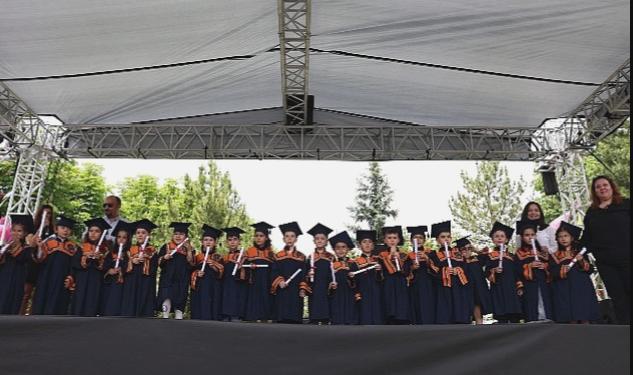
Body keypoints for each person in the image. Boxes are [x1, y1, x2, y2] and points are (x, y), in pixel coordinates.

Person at [582, 175, 630, 324]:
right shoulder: (591, 213)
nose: (602, 188)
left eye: (605, 185)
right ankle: (625, 329)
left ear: (611, 187)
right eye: (598, 187)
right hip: (607, 263)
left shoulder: (626, 204)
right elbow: (587, 238)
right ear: (594, 192)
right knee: (617, 297)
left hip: (628, 258)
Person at [550, 222, 600, 323]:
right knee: (571, 317)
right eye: (560, 236)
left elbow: (590, 270)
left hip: (582, 287)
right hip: (565, 289)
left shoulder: (580, 252)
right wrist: (562, 269)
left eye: (566, 236)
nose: (563, 239)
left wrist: (581, 261)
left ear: (572, 238)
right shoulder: (554, 256)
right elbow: (553, 273)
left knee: (584, 314)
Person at [32, 215, 79, 315]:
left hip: (62, 279)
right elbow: (39, 259)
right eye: (63, 228)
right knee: (42, 298)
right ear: (56, 229)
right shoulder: (47, 242)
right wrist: (39, 247)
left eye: (68, 229)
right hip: (46, 277)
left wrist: (71, 277)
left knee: (59, 301)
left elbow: (73, 265)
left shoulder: (73, 247)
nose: (65, 231)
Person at [427, 221, 470, 324]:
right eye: (442, 237)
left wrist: (458, 270)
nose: (446, 239)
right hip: (443, 287)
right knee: (446, 311)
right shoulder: (434, 256)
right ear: (437, 240)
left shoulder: (458, 254)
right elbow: (433, 270)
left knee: (459, 309)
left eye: (448, 237)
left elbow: (466, 268)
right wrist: (445, 271)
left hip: (458, 286)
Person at [514, 220, 554, 322]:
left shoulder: (542, 252)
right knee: (532, 305)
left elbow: (551, 268)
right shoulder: (519, 254)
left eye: (532, 234)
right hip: (529, 285)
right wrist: (529, 266)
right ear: (522, 237)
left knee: (545, 305)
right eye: (527, 235)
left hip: (543, 283)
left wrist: (544, 266)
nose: (530, 237)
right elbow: (516, 271)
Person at [271, 222, 309, 324]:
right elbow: (274, 271)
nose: (289, 239)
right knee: (281, 319)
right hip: (282, 291)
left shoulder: (301, 257)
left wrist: (302, 289)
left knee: (294, 320)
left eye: (292, 236)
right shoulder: (277, 256)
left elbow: (304, 275)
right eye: (287, 236)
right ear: (283, 239)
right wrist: (279, 281)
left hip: (296, 292)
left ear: (296, 239)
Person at [70, 218, 110, 316]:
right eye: (91, 231)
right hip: (81, 281)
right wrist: (86, 258)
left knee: (91, 307)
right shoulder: (81, 247)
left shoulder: (105, 250)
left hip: (95, 283)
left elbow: (106, 268)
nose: (93, 233)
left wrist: (99, 259)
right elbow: (74, 264)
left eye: (97, 231)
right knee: (77, 307)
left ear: (102, 234)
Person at [485, 221, 523, 323]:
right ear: (493, 239)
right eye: (496, 236)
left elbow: (517, 272)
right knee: (501, 315)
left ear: (506, 239)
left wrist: (519, 286)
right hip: (498, 288)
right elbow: (487, 271)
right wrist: (494, 271)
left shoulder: (511, 256)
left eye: (502, 236)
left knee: (514, 315)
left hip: (511, 288)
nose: (499, 238)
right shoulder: (490, 256)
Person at [120, 219, 159, 317]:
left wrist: (146, 260)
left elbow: (154, 269)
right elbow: (123, 267)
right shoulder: (129, 250)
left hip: (146, 285)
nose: (140, 235)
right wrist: (132, 261)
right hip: (131, 284)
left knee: (144, 311)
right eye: (138, 233)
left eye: (143, 233)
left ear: (148, 235)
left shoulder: (152, 251)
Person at [21, 205, 54, 315]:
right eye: (44, 213)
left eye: (49, 213)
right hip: (32, 263)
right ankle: (20, 316)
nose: (46, 216)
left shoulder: (52, 231)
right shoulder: (32, 227)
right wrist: (41, 227)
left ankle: (33, 316)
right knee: (26, 293)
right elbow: (32, 243)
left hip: (45, 264)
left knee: (39, 294)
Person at [157, 222, 195, 320]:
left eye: (181, 234)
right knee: (167, 296)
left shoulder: (190, 249)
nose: (178, 236)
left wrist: (189, 251)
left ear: (186, 236)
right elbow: (159, 262)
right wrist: (165, 257)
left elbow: (191, 265)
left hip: (182, 278)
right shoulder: (166, 247)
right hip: (168, 277)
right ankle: (165, 315)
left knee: (180, 297)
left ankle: (179, 317)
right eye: (176, 234)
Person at [0, 214, 36, 314]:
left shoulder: (27, 249)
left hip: (17, 279)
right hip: (3, 277)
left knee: (12, 301)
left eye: (19, 231)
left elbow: (22, 258)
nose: (15, 233)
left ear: (25, 233)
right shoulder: (5, 245)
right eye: (13, 230)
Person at [377, 226, 410, 324]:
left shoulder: (404, 255)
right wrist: (389, 257)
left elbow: (407, 271)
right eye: (389, 238)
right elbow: (379, 274)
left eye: (394, 238)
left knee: (401, 307)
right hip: (388, 284)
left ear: (399, 240)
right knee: (389, 306)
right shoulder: (381, 255)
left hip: (401, 284)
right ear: (385, 240)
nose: (392, 240)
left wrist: (398, 259)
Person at [190, 225, 224, 321]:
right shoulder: (197, 257)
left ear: (215, 243)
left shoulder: (218, 257)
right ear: (202, 242)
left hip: (214, 289)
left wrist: (214, 266)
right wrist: (197, 273)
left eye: (211, 240)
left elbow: (222, 274)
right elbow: (190, 273)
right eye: (205, 240)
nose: (208, 242)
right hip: (200, 290)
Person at [243, 222, 275, 322]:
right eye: (256, 236)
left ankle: (265, 317)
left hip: (266, 282)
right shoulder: (249, 251)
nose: (258, 238)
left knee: (266, 299)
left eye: (261, 236)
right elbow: (243, 267)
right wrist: (249, 267)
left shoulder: (271, 253)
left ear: (266, 238)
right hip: (253, 282)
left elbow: (274, 269)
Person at [350, 229, 384, 325]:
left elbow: (383, 279)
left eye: (370, 242)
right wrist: (351, 278)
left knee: (379, 318)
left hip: (378, 294)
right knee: (365, 319)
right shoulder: (355, 262)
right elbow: (353, 284)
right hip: (363, 295)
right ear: (360, 245)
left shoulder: (379, 260)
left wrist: (379, 271)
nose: (367, 244)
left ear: (373, 245)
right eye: (364, 242)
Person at [457, 236, 492, 324]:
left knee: (477, 306)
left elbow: (487, 257)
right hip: (464, 289)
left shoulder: (477, 259)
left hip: (477, 289)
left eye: (469, 248)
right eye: (464, 248)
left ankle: (480, 326)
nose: (467, 250)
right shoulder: (458, 262)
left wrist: (476, 250)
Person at [100, 221, 131, 316]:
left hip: (123, 287)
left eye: (124, 237)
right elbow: (103, 268)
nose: (121, 239)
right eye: (119, 237)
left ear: (128, 239)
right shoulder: (109, 253)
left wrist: (122, 270)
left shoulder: (129, 254)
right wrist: (109, 271)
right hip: (110, 286)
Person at [406, 225, 436, 325]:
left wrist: (427, 259)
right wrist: (412, 268)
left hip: (429, 286)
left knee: (429, 309)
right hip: (414, 287)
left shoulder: (431, 253)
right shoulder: (407, 256)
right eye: (415, 238)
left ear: (424, 240)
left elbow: (437, 270)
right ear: (411, 241)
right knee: (416, 309)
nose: (418, 240)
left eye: (420, 238)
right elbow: (405, 273)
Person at [306, 223, 335, 324]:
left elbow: (334, 274)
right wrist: (308, 275)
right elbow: (305, 276)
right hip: (314, 290)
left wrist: (332, 283)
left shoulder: (331, 257)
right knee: (314, 316)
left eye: (322, 238)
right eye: (317, 238)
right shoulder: (310, 257)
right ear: (314, 241)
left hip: (326, 290)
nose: (319, 240)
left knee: (326, 316)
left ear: (327, 241)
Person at [328, 231, 359, 325]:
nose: (340, 250)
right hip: (336, 297)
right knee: (337, 320)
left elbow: (357, 284)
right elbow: (327, 283)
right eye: (337, 248)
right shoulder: (331, 265)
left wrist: (352, 278)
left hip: (350, 296)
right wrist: (330, 286)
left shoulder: (353, 264)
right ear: (334, 250)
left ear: (348, 249)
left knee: (351, 320)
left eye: (343, 247)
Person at [221, 227, 247, 321]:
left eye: (235, 239)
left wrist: (242, 268)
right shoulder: (223, 258)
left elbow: (246, 277)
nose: (232, 242)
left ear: (239, 241)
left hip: (238, 291)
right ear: (226, 242)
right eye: (230, 240)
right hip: (226, 291)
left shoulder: (244, 256)